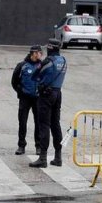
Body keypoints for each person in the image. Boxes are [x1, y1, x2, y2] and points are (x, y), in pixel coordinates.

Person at [29, 39, 67, 168]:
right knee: (56, 125)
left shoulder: (48, 61)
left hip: (46, 94)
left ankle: (43, 158)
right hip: (58, 93)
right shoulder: (63, 61)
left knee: (44, 125)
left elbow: (35, 75)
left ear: (50, 48)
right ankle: (58, 157)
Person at [11, 45, 43, 155]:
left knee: (38, 123)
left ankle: (38, 146)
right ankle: (21, 145)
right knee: (22, 122)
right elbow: (14, 81)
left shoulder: (42, 65)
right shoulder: (22, 66)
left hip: (38, 99)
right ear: (33, 53)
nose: (40, 54)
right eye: (39, 52)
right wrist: (20, 92)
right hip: (25, 99)